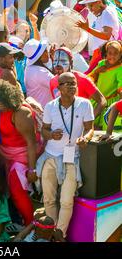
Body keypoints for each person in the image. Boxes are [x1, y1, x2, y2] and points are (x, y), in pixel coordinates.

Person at [36, 72, 95, 241]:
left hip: (72, 158)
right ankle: (50, 232)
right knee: (48, 199)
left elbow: (89, 128)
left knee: (67, 200)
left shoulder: (85, 104)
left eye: (74, 83)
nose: (71, 86)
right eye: (67, 83)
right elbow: (44, 130)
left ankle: (60, 233)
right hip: (51, 157)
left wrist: (86, 138)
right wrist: (50, 134)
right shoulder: (50, 106)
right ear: (59, 88)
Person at [0, 80, 42, 226]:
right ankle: (19, 221)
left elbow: (31, 143)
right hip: (4, 155)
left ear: (8, 99)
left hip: (22, 157)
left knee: (18, 192)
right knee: (7, 192)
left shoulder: (22, 112)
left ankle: (31, 226)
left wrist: (32, 169)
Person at [50, 47, 106, 120]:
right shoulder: (52, 81)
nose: (57, 64)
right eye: (55, 61)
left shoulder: (82, 79)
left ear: (71, 62)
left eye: (62, 60)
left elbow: (102, 101)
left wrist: (88, 120)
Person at [76, 0, 120, 69]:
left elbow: (106, 35)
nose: (90, 9)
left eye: (91, 5)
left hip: (108, 56)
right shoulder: (103, 13)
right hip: (101, 54)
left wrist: (88, 29)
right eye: (88, 6)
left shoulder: (107, 13)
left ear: (99, 2)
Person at [89, 41, 122, 130]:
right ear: (106, 53)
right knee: (92, 125)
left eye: (116, 53)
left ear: (120, 54)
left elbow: (121, 87)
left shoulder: (120, 68)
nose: (112, 56)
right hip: (97, 100)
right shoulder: (101, 63)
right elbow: (90, 78)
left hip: (109, 102)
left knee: (102, 127)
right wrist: (97, 71)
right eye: (110, 53)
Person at [23, 39, 54, 108]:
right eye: (45, 51)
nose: (48, 53)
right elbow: (58, 83)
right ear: (40, 56)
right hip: (43, 112)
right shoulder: (40, 72)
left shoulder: (29, 68)